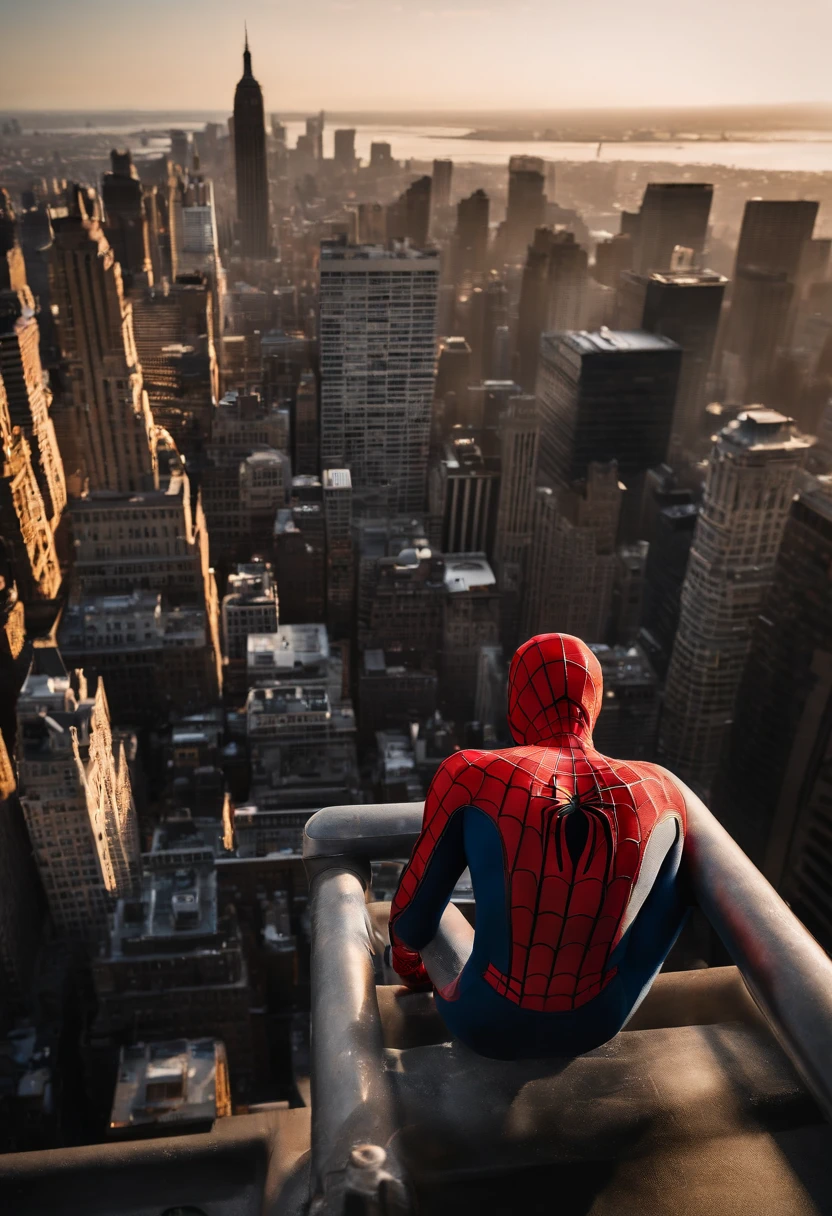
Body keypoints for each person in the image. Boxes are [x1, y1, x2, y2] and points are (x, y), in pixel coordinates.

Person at [388, 633, 688, 1059]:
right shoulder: (660, 791)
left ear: (518, 700)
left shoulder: (471, 774)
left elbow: (412, 923)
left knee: (445, 912)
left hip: (482, 1020)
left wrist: (409, 969)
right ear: (595, 702)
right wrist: (618, 1001)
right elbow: (664, 926)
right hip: (598, 1023)